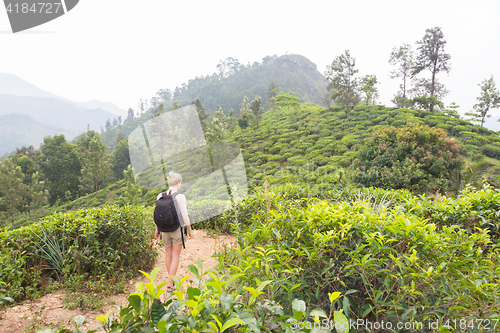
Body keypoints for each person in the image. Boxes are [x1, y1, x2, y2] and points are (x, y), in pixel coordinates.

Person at [154, 171, 193, 293]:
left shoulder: (160, 196)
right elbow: (185, 216)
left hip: (164, 230)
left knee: (168, 255)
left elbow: (159, 215)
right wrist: (190, 230)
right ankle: (170, 285)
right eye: (181, 182)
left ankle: (170, 281)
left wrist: (157, 230)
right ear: (177, 183)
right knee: (176, 256)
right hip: (176, 230)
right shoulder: (180, 197)